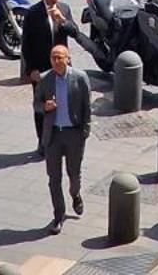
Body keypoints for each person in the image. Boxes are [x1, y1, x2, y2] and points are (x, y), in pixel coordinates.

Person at [37, 41, 92, 234]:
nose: (56, 60)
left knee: (73, 174)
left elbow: (87, 106)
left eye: (60, 57)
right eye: (53, 57)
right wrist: (45, 106)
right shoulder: (45, 79)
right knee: (54, 178)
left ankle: (75, 194)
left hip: (74, 134)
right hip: (53, 135)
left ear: (68, 59)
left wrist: (85, 131)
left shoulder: (80, 78)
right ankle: (58, 215)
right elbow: (36, 104)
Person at [22, 0, 81, 154]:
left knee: (62, 103)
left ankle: (59, 141)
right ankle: (42, 142)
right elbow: (26, 44)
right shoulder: (33, 13)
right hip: (41, 70)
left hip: (62, 68)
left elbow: (75, 32)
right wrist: (30, 70)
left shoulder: (64, 9)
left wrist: (62, 20)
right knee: (41, 107)